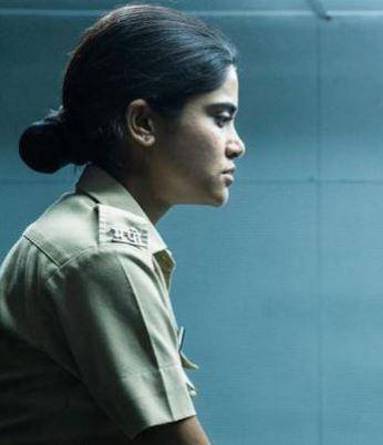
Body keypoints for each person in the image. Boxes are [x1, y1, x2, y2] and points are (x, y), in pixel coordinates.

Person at [0, 5, 244, 444]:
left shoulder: (84, 236)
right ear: (143, 124)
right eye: (220, 118)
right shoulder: (100, 254)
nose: (236, 145)